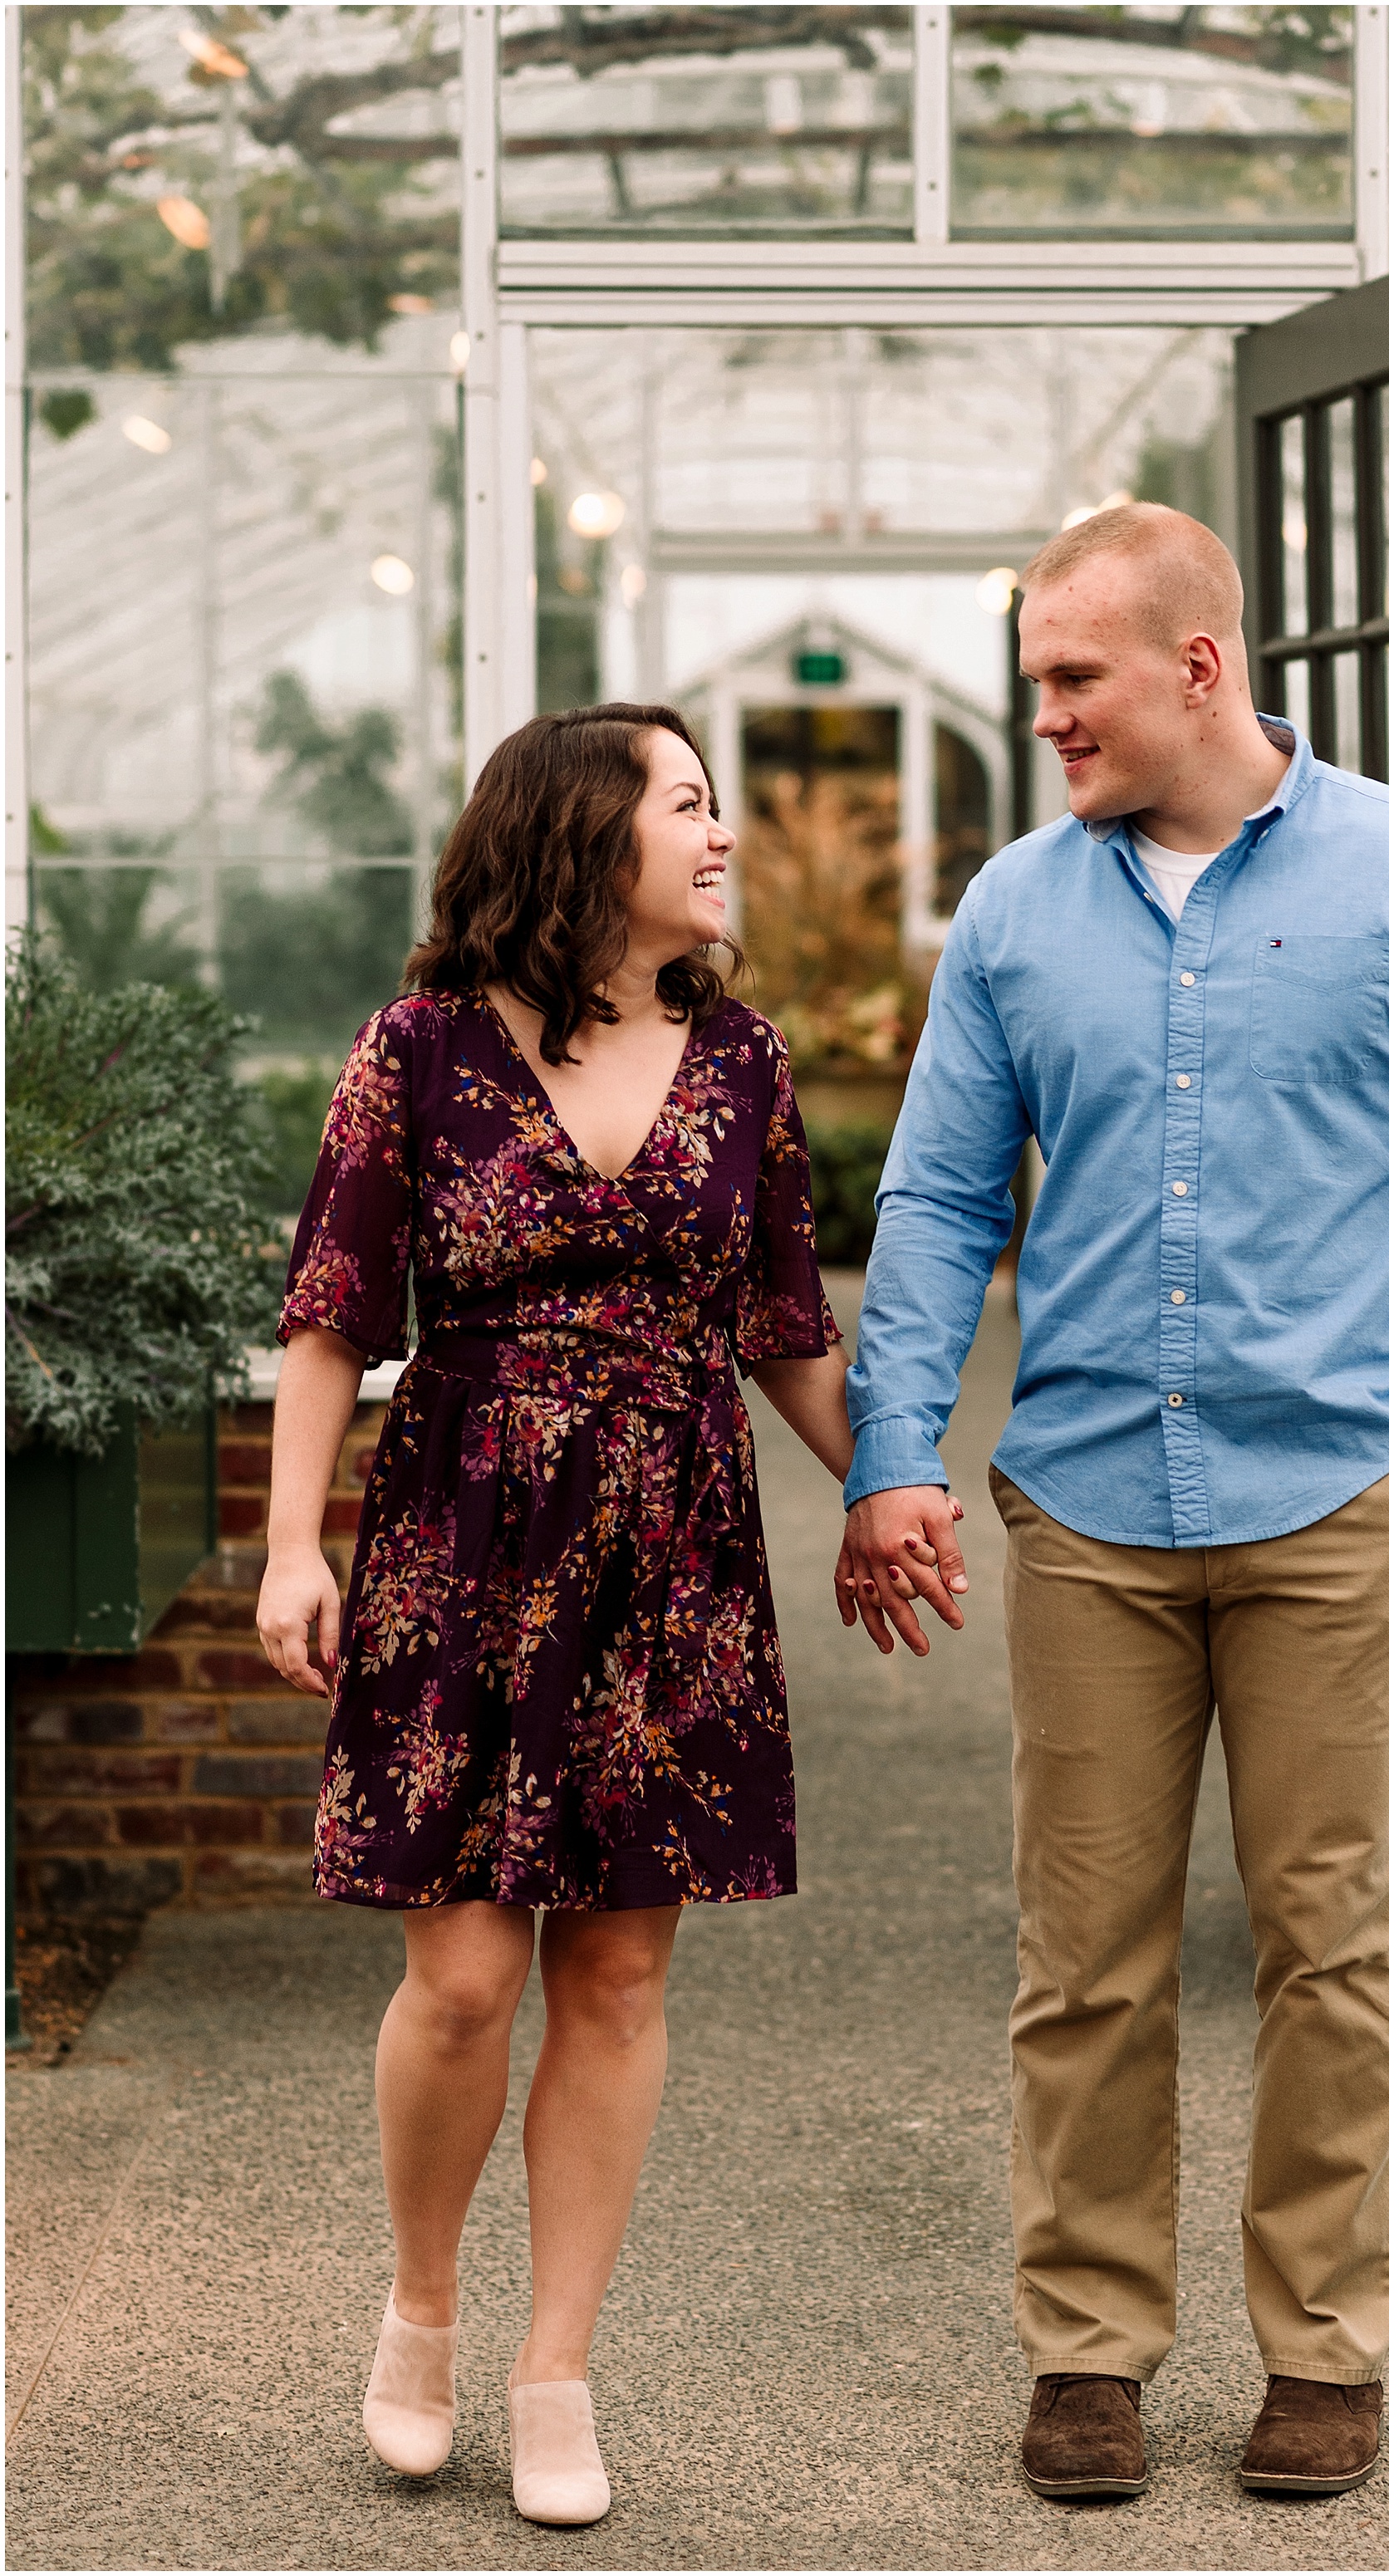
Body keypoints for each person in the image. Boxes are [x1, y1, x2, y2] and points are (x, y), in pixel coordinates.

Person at [835, 505, 1389, 2502]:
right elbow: (928, 1203)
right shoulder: (1011, 912)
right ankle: (1086, 2351)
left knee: (1334, 1947)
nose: (1046, 717)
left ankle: (1320, 2353)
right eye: (1034, 684)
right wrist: (895, 1451)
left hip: (1342, 1496)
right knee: (1081, 1954)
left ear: (1198, 665)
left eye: (1074, 679)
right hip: (1086, 1504)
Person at [257, 704, 852, 2527]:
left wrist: (890, 1488)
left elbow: (783, 1326)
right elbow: (334, 1308)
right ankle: (421, 2312)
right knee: (457, 1981)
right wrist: (296, 1545)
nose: (720, 833)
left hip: (671, 1554)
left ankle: (554, 2366)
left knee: (613, 1973)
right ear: (583, 836)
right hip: (462, 1535)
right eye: (684, 804)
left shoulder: (742, 1062)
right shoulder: (417, 1050)